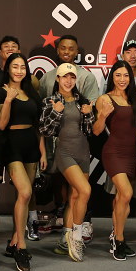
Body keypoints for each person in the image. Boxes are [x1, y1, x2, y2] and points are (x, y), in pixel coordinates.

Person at [38, 35, 99, 242]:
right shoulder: (50, 101)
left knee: (75, 195)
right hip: (63, 151)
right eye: (64, 77)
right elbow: (46, 129)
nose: (68, 80)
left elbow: (89, 130)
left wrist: (88, 114)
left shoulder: (82, 101)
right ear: (58, 78)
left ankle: (67, 238)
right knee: (85, 190)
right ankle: (77, 235)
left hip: (82, 151)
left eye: (72, 77)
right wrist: (56, 112)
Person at [94, 61, 136, 261]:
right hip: (113, 152)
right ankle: (118, 239)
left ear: (131, 78)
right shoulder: (105, 99)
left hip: (131, 154)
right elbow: (96, 131)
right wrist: (103, 115)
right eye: (118, 75)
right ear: (112, 77)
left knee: (121, 198)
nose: (122, 79)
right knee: (126, 193)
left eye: (126, 75)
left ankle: (117, 236)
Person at [0, 52, 46, 271]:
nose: (18, 71)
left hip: (31, 145)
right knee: (25, 193)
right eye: (15, 66)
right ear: (8, 68)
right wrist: (8, 99)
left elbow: (38, 126)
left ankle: (14, 240)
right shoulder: (2, 91)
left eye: (22, 67)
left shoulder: (31, 92)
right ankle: (21, 246)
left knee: (25, 196)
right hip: (12, 145)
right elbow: (1, 124)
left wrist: (42, 152)